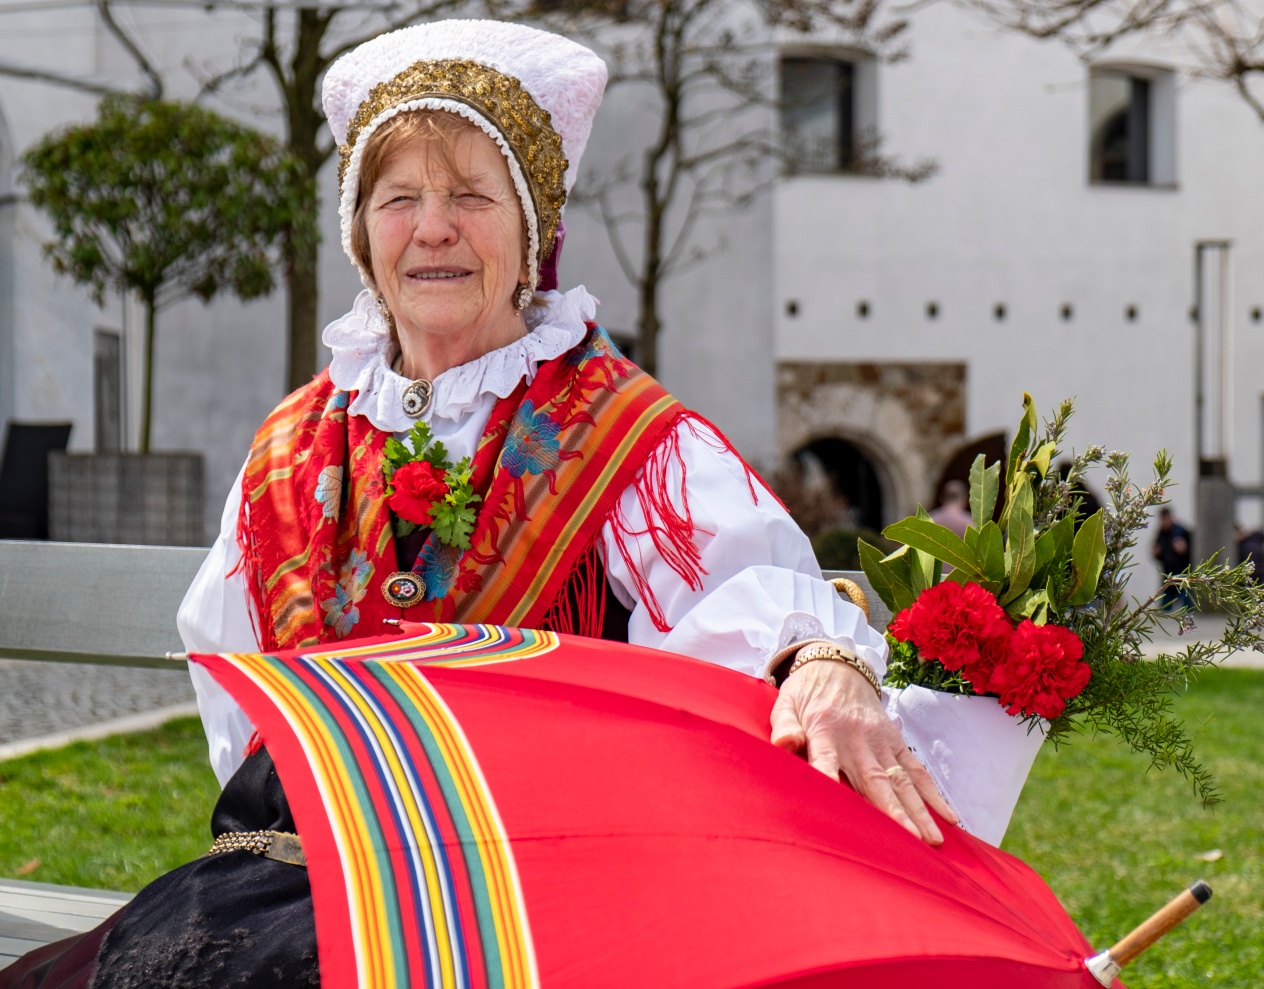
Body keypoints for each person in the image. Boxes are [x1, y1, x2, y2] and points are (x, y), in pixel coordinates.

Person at [1, 21, 952, 988]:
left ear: (532, 226)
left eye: (470, 196)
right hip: (297, 875)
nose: (433, 227)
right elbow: (239, 713)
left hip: (512, 886)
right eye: (399, 198)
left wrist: (824, 660)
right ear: (361, 232)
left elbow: (755, 599)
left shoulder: (627, 437)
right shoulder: (291, 446)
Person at [1152, 507, 1193, 610]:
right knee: (1165, 608)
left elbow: (1191, 549)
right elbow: (1158, 552)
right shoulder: (1161, 533)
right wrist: (1156, 553)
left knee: (1187, 606)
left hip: (1183, 575)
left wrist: (1184, 549)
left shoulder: (1180, 531)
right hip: (1168, 577)